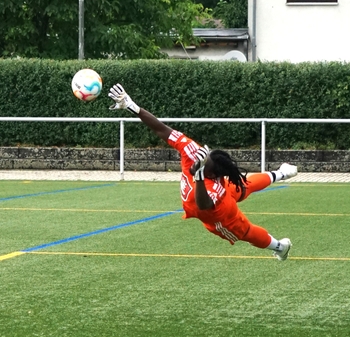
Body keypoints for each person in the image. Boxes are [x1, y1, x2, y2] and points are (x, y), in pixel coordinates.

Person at [108, 84, 296, 259]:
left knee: (246, 232)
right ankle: (282, 173)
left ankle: (280, 247)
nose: (198, 162)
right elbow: (162, 130)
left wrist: (198, 177)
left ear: (212, 175)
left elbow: (203, 205)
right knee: (245, 185)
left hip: (221, 214)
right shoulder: (193, 152)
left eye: (204, 165)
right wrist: (133, 107)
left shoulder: (212, 189)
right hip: (216, 189)